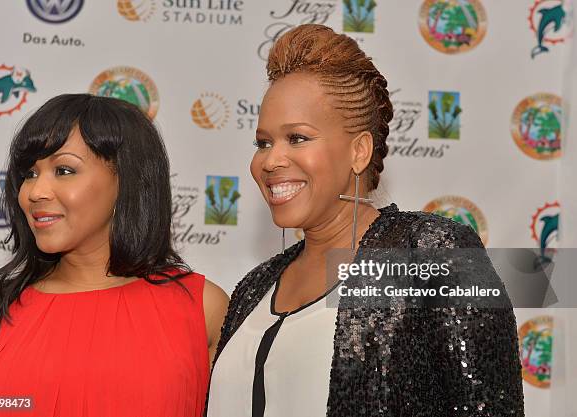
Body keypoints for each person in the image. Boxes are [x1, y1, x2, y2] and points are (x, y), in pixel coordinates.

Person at [206, 24, 524, 417]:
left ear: (359, 151)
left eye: (298, 138)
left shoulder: (427, 253)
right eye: (263, 143)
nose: (270, 161)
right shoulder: (254, 287)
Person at [0, 94, 229, 416]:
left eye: (63, 170)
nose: (35, 192)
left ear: (127, 180)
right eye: (30, 174)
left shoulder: (202, 308)